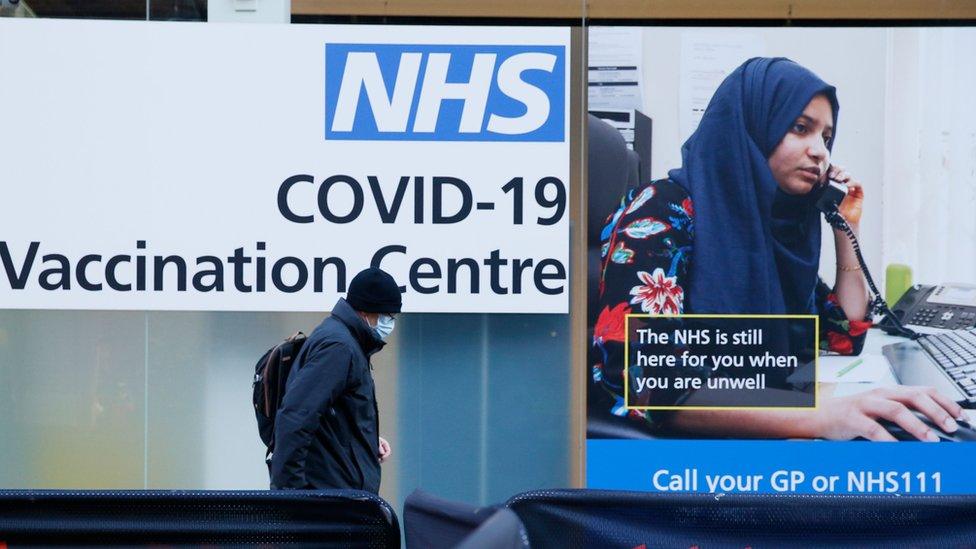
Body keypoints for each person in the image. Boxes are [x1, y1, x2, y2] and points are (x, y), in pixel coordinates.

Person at [592, 57, 963, 442]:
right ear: (751, 128)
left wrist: (846, 228)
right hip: (682, 460)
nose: (820, 152)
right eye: (801, 128)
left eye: (826, 138)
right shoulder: (660, 210)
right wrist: (817, 416)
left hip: (765, 431)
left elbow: (842, 334)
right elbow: (647, 378)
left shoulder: (773, 227)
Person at [271, 267, 400, 492]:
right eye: (387, 316)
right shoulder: (339, 348)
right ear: (367, 311)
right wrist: (291, 497)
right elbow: (296, 417)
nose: (389, 323)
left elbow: (333, 413)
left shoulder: (346, 341)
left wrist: (364, 440)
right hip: (329, 499)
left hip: (335, 491)